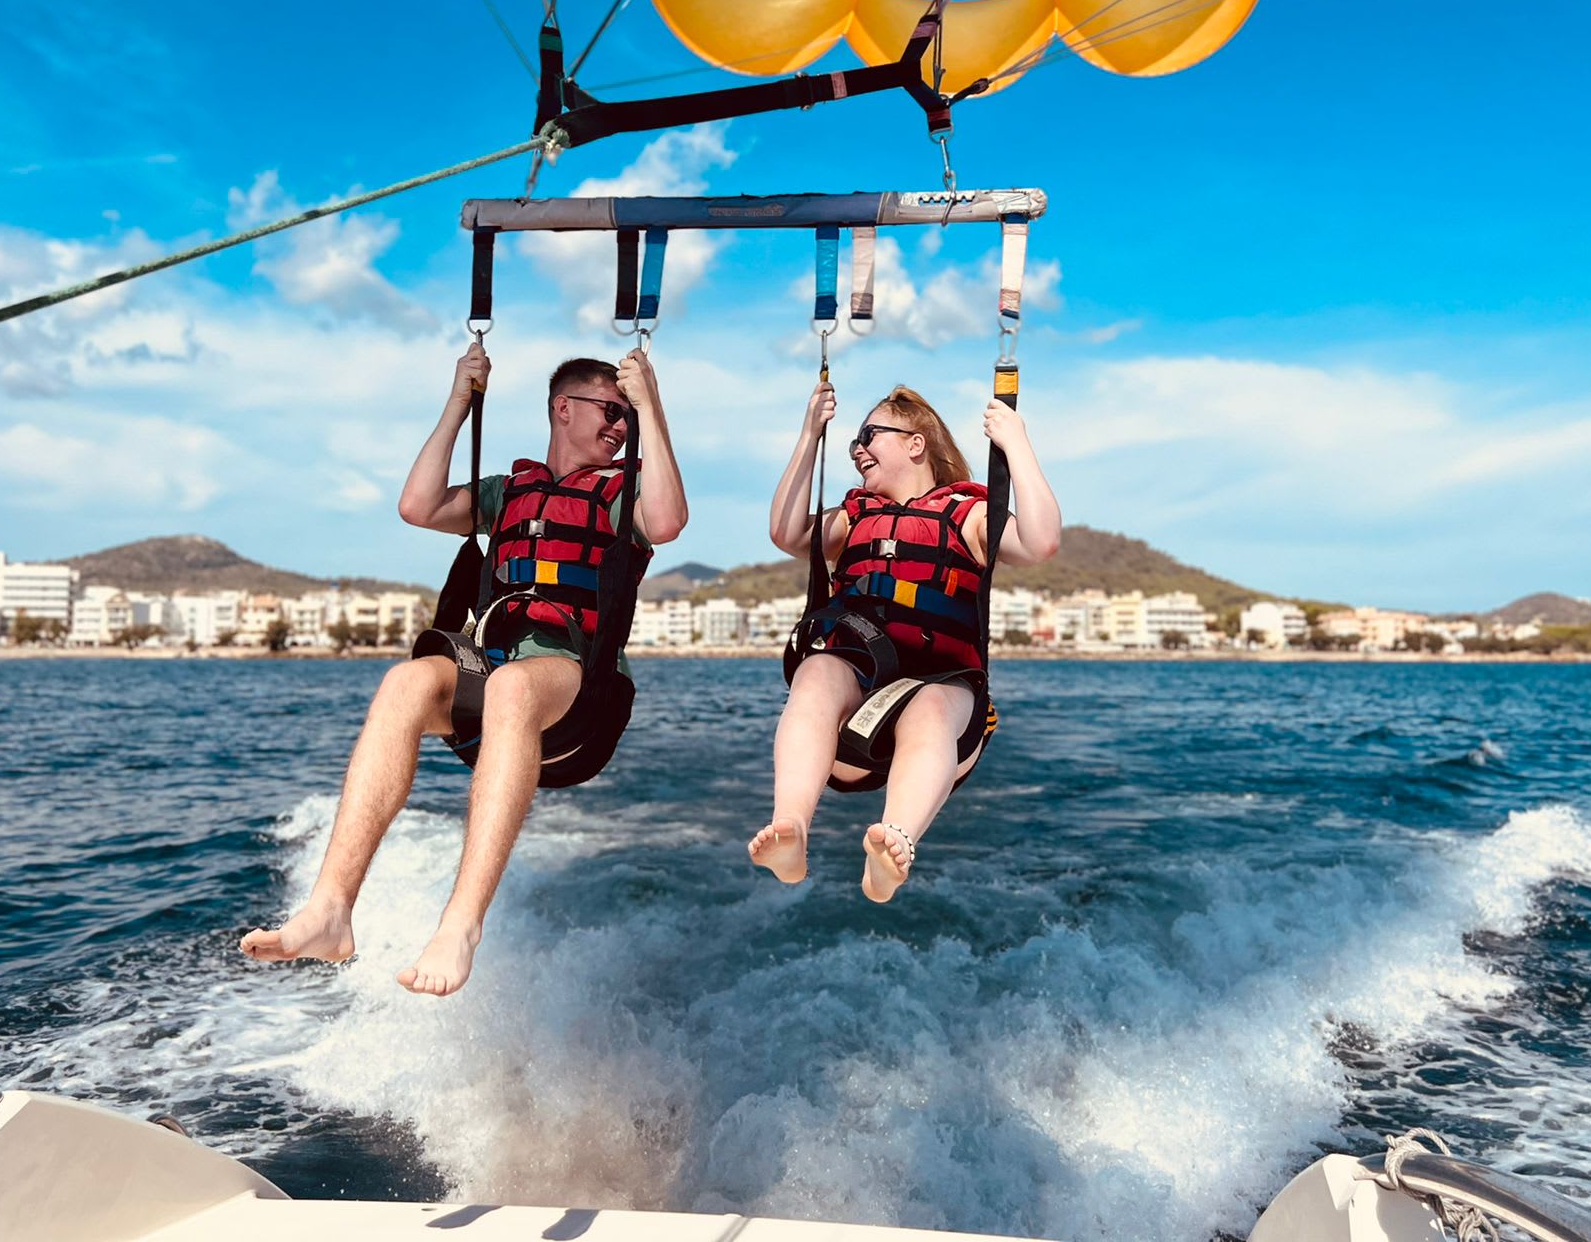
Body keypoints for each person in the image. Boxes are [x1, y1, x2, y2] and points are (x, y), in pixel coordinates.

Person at [241, 342, 687, 997]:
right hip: (496, 673)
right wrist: (459, 400)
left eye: (627, 417)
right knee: (408, 680)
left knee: (509, 686)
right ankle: (332, 908)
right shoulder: (507, 494)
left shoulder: (624, 497)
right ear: (564, 409)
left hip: (579, 688)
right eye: (610, 411)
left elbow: (670, 520)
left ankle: (461, 924)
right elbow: (417, 506)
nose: (620, 427)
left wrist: (653, 406)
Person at [748, 381, 1059, 900]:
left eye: (870, 435)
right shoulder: (856, 516)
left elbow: (1042, 539)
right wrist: (809, 436)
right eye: (853, 442)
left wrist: (1016, 442)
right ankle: (791, 828)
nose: (858, 449)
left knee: (931, 705)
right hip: (860, 703)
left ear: (916, 442)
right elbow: (786, 533)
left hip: (946, 692)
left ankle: (893, 845)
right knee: (817, 670)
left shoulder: (970, 515)